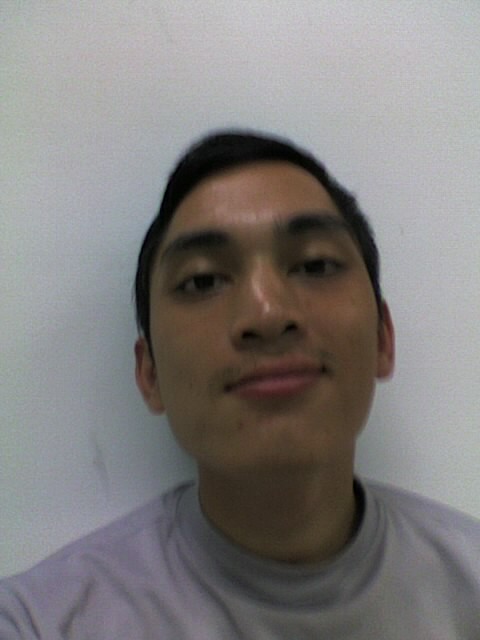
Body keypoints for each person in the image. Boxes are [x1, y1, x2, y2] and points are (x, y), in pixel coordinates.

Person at [1, 130, 479, 639]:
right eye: (203, 281)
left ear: (383, 337)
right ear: (150, 373)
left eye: (315, 265)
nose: (267, 314)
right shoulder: (39, 623)